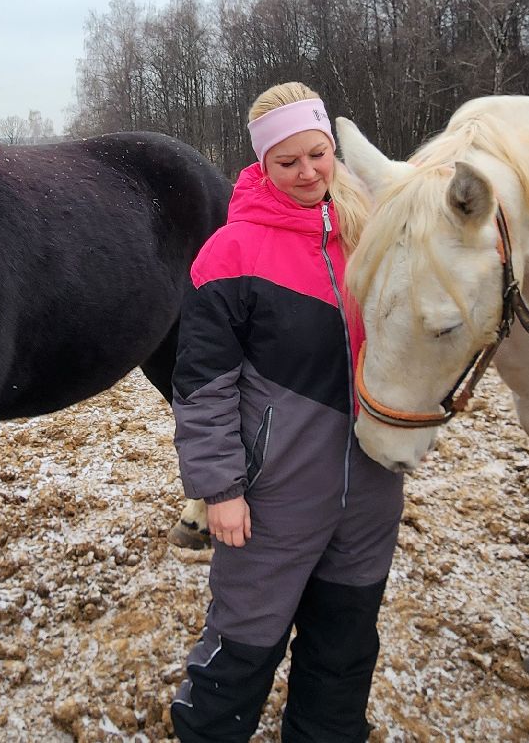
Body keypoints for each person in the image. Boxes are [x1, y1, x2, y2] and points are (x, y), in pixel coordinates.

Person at [169, 82, 405, 743]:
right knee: (244, 643)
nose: (307, 172)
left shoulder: (371, 236)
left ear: (332, 149)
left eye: (317, 154)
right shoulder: (231, 253)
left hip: (371, 491)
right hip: (274, 498)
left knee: (345, 644)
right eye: (288, 161)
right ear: (262, 164)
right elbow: (203, 387)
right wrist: (220, 489)